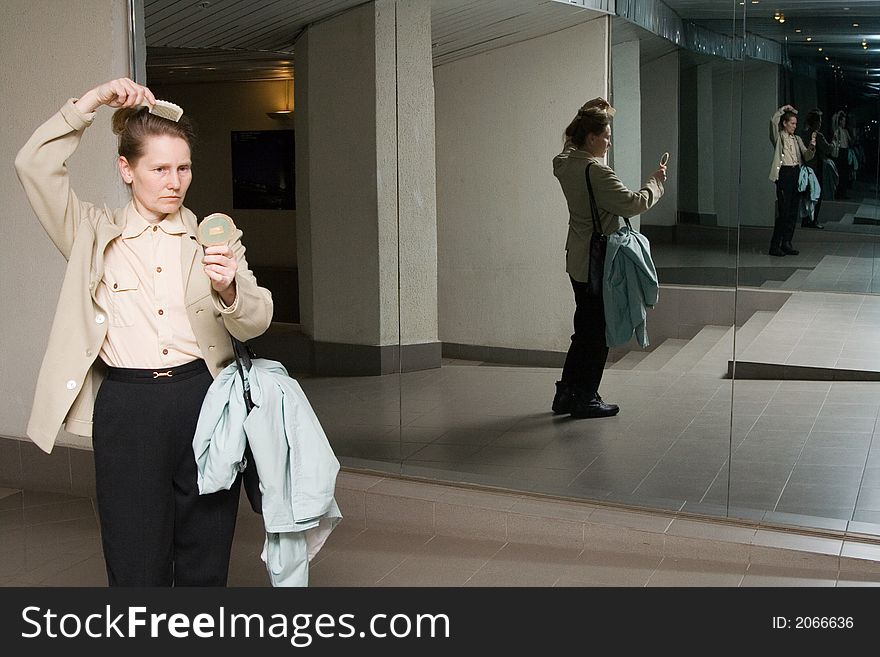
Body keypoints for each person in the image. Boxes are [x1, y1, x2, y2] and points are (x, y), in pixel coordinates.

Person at [14, 78, 273, 586]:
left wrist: (227, 290)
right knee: (134, 553)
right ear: (126, 170)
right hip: (128, 407)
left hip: (205, 397)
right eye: (158, 169)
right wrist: (87, 106)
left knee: (206, 547)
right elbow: (34, 166)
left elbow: (257, 318)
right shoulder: (90, 233)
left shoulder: (213, 237)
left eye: (183, 168)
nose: (174, 181)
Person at [551, 98, 666, 419]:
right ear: (591, 138)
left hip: (578, 257)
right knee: (596, 331)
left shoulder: (565, 163)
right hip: (599, 261)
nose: (609, 141)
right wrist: (656, 182)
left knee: (583, 329)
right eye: (605, 135)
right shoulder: (596, 171)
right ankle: (585, 396)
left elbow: (567, 142)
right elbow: (632, 203)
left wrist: (590, 110)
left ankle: (567, 393)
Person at [767, 104, 815, 257]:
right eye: (792, 123)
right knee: (784, 211)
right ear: (785, 123)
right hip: (784, 174)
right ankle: (775, 245)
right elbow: (773, 122)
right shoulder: (779, 136)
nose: (795, 126)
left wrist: (812, 147)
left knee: (793, 211)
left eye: (795, 123)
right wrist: (783, 110)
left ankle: (786, 243)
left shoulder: (797, 139)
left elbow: (806, 156)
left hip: (796, 174)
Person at [801, 109, 833, 229]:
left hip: (804, 168)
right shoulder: (817, 136)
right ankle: (814, 221)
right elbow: (828, 149)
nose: (820, 124)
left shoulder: (803, 134)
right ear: (814, 123)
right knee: (816, 195)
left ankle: (805, 220)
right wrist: (835, 143)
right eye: (819, 121)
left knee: (806, 196)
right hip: (815, 169)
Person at [832, 110, 853, 199]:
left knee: (844, 174)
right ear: (840, 121)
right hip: (840, 152)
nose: (844, 123)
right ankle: (839, 193)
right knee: (840, 173)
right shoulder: (837, 131)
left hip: (845, 151)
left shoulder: (845, 131)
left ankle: (843, 192)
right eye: (843, 121)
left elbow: (851, 141)